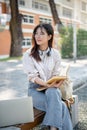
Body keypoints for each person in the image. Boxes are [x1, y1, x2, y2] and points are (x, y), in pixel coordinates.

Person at [23, 23, 73, 130]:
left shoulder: (55, 54)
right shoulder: (28, 54)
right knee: (62, 106)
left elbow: (56, 74)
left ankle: (52, 128)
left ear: (49, 36)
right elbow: (32, 77)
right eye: (36, 33)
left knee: (53, 91)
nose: (38, 36)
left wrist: (57, 82)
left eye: (42, 34)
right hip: (35, 91)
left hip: (52, 90)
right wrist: (45, 84)